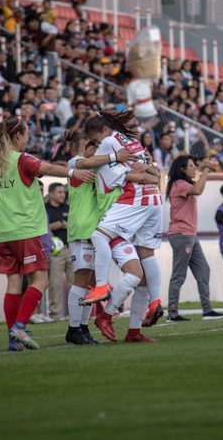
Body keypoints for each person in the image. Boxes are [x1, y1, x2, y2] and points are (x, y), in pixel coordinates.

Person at [0, 116, 93, 351]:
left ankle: (13, 340)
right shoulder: (21, 160)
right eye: (27, 133)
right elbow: (47, 168)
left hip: (0, 234)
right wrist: (73, 173)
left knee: (13, 284)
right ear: (18, 136)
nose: (28, 137)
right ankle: (19, 326)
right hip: (25, 230)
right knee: (40, 280)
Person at [83, 110, 166, 342]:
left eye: (95, 141)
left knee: (99, 236)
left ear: (104, 131)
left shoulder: (110, 143)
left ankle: (102, 293)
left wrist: (143, 174)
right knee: (143, 272)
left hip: (132, 205)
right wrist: (149, 174)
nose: (96, 146)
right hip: (152, 202)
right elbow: (154, 174)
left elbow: (128, 175)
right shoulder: (134, 143)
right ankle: (146, 313)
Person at [61, 130, 147, 344]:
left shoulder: (95, 166)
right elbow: (82, 165)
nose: (100, 150)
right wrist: (115, 156)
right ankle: (74, 329)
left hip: (95, 229)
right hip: (82, 228)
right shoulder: (76, 161)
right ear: (84, 144)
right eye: (96, 146)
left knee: (90, 283)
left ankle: (82, 327)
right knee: (81, 279)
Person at [166, 155, 223, 321]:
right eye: (191, 166)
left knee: (203, 270)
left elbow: (197, 186)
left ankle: (207, 310)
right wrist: (206, 169)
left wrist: (204, 169)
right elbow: (198, 190)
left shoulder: (184, 183)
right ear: (182, 169)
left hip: (190, 234)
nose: (194, 168)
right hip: (182, 235)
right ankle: (172, 313)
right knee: (179, 275)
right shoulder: (179, 184)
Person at [44, 183, 74, 321]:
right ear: (51, 194)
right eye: (59, 192)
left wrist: (68, 225)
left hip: (71, 249)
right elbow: (40, 229)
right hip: (55, 252)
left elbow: (76, 226)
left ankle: (77, 313)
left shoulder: (69, 208)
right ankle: (55, 315)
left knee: (75, 283)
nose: (63, 194)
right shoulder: (44, 210)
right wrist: (51, 226)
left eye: (63, 192)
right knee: (55, 284)